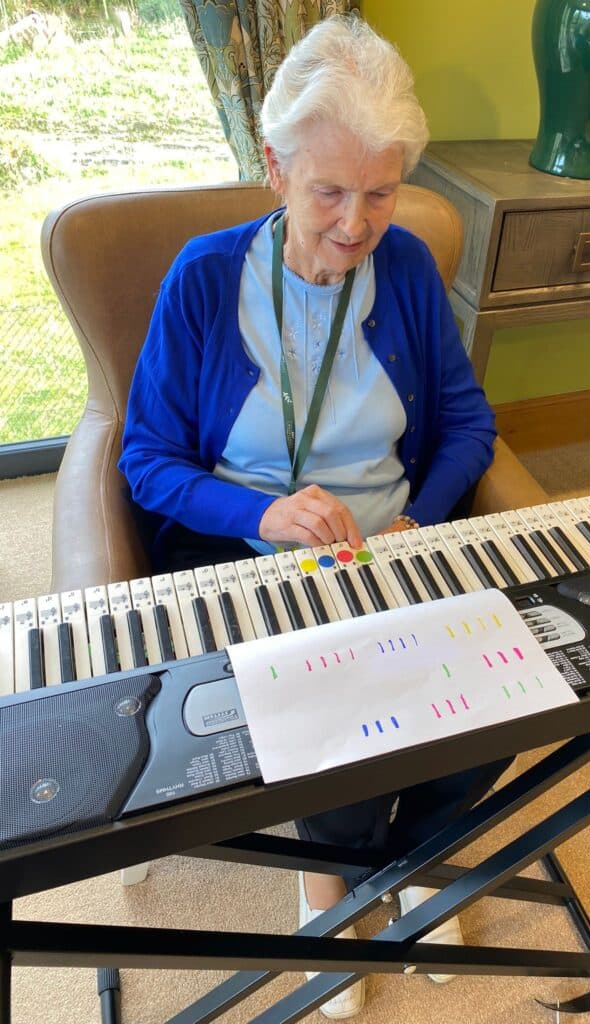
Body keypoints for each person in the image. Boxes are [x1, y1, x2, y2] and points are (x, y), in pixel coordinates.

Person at [120, 14, 511, 1019]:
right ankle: (333, 879)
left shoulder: (410, 267)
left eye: (380, 192)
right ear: (274, 165)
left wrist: (420, 516)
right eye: (329, 189)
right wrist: (263, 509)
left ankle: (418, 855)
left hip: (393, 545)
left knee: (493, 706)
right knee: (335, 732)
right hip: (250, 554)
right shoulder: (205, 279)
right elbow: (147, 460)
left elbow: (468, 421)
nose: (355, 222)